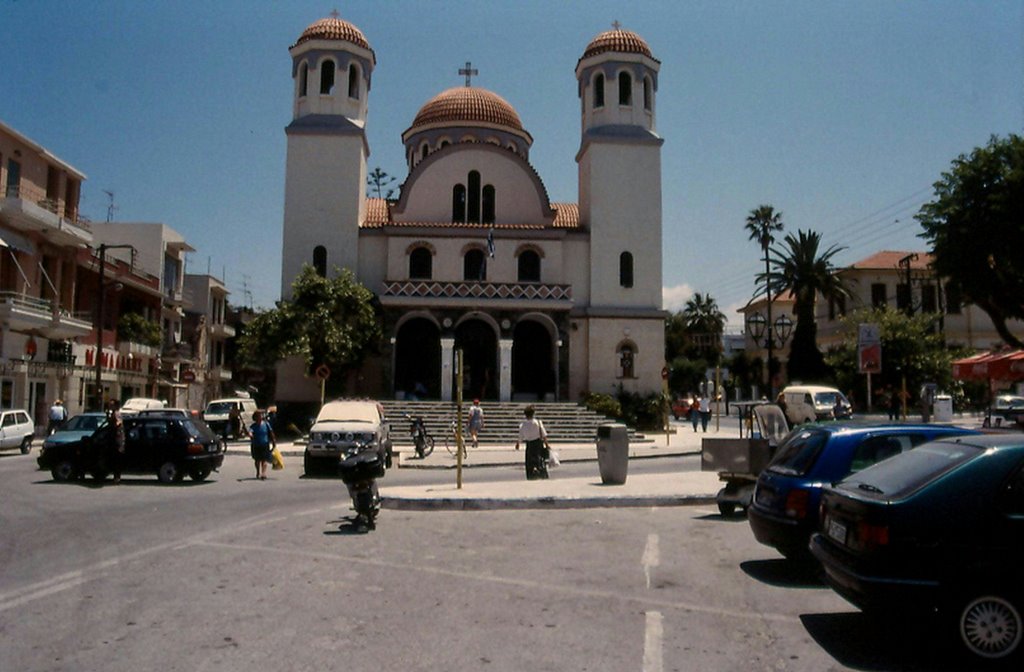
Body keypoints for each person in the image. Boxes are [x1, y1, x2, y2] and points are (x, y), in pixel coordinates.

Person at [514, 405, 551, 480]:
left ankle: (530, 475)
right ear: (533, 413)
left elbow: (520, 436)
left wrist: (518, 443)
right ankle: (542, 473)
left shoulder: (522, 425)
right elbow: (544, 435)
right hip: (538, 443)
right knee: (540, 460)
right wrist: (547, 445)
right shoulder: (538, 423)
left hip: (529, 445)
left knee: (529, 461)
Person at [249, 410, 276, 480]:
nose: (260, 416)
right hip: (256, 445)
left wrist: (273, 442)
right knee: (257, 460)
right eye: (258, 415)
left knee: (264, 460)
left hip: (265, 444)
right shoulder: (253, 426)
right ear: (255, 417)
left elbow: (271, 432)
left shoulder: (266, 424)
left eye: (260, 415)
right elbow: (250, 433)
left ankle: (263, 473)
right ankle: (258, 471)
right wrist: (250, 434)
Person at [106, 399, 125, 484]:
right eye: (109, 404)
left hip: (117, 440)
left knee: (117, 459)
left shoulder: (117, 413)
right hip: (113, 439)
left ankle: (117, 477)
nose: (110, 406)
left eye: (112, 405)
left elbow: (119, 422)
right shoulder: (112, 413)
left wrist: (115, 424)